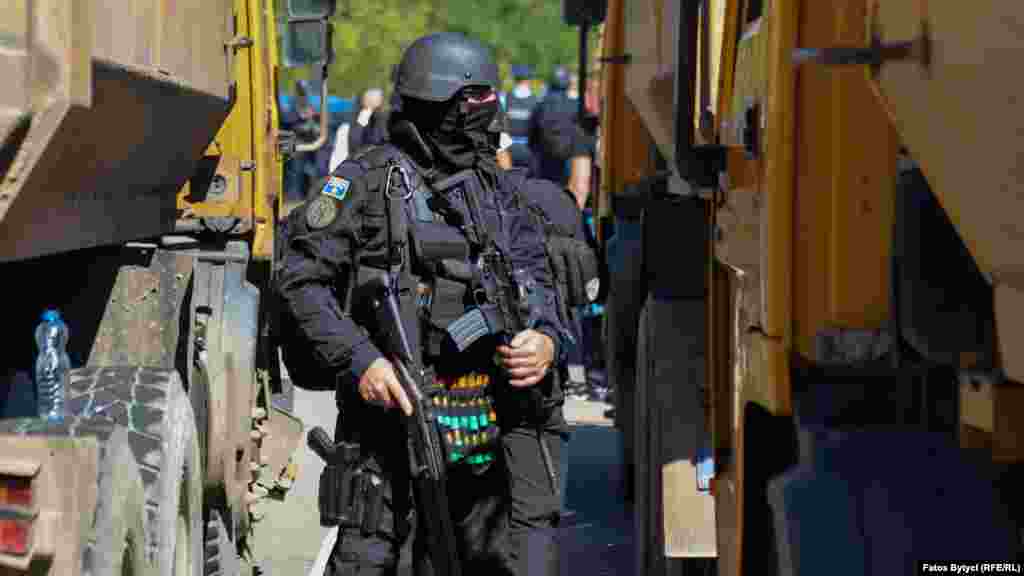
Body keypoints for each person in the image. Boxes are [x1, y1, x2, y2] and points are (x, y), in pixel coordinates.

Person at [275, 32, 571, 575]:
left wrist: (545, 339)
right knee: (371, 563)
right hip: (390, 428)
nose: (490, 114)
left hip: (486, 433)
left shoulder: (496, 189)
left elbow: (539, 279)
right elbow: (300, 282)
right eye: (476, 101)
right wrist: (360, 360)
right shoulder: (363, 185)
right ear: (443, 105)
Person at [503, 65, 539, 174]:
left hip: (508, 149)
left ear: (515, 79)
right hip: (529, 149)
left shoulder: (505, 98)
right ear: (529, 80)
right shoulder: (536, 101)